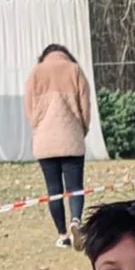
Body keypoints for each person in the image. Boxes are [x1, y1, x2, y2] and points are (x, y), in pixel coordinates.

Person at [24, 44, 91, 250]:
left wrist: (38, 127)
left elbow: (29, 109)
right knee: (75, 187)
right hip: (71, 139)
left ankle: (62, 235)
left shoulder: (36, 73)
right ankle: (76, 221)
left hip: (45, 142)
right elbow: (85, 106)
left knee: (53, 190)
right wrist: (82, 129)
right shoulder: (74, 70)